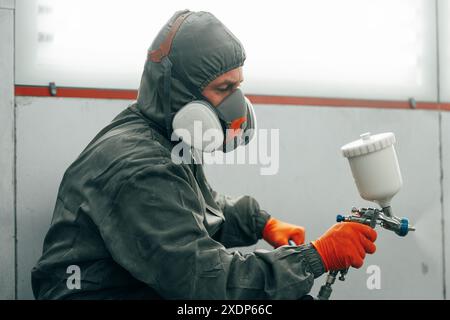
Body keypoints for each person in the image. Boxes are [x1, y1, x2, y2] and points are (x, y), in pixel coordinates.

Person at [31, 10, 377, 300]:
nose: (236, 105)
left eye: (238, 86)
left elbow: (200, 206)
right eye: (223, 89)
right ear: (179, 93)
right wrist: (314, 258)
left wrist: (259, 222)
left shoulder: (162, 134)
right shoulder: (139, 168)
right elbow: (207, 281)